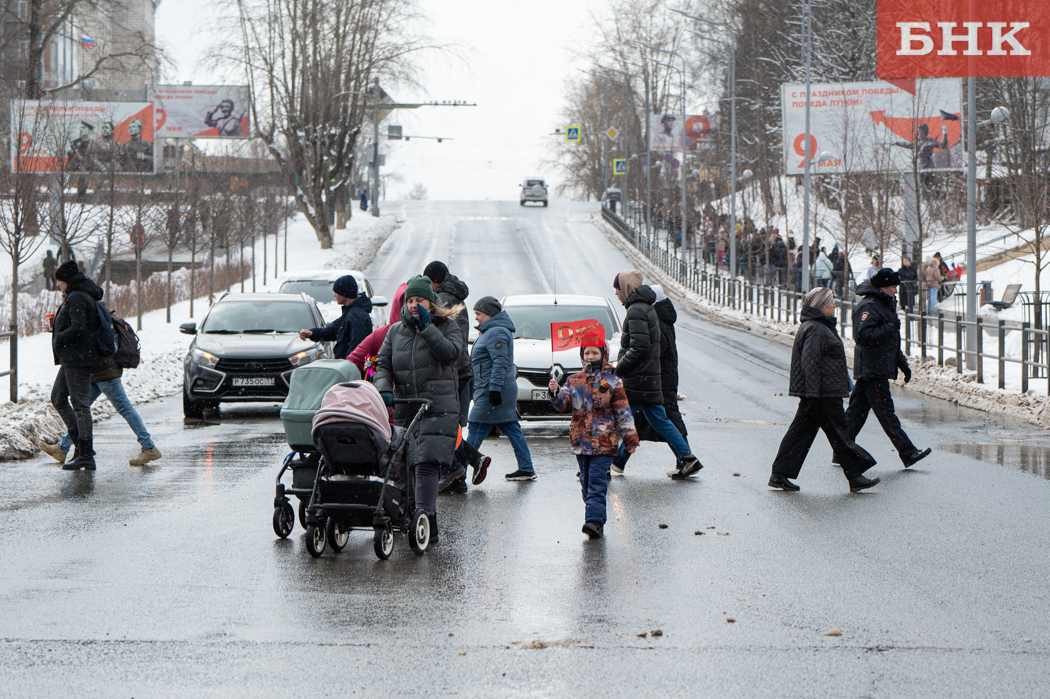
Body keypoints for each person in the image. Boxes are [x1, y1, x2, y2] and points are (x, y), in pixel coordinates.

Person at [373, 275, 464, 543]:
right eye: (410, 300)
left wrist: (428, 328)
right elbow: (383, 363)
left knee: (426, 461)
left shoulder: (448, 326)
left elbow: (451, 353)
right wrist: (383, 388)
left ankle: (426, 516)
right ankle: (415, 514)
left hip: (438, 405)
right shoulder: (395, 331)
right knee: (409, 462)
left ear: (430, 301)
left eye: (419, 300)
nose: (414, 305)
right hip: (406, 407)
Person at [768, 287, 879, 492]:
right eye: (830, 303)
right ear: (820, 307)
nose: (834, 305)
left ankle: (779, 474)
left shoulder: (819, 326)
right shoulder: (816, 329)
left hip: (820, 392)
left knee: (800, 433)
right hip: (823, 393)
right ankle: (855, 474)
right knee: (840, 433)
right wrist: (812, 394)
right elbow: (810, 363)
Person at [610, 270, 702, 479]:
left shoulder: (636, 310)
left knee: (620, 418)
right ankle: (687, 457)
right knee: (659, 419)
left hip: (638, 378)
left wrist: (620, 368)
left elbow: (639, 348)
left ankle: (601, 462)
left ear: (625, 288)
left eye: (617, 287)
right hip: (649, 378)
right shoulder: (648, 308)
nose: (616, 292)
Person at [548, 329, 638, 539]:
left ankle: (593, 522)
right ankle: (596, 517)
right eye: (587, 353)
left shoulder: (611, 382)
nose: (590, 357)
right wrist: (555, 392)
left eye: (594, 353)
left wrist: (631, 438)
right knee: (586, 482)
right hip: (581, 441)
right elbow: (564, 404)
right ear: (582, 355)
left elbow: (623, 411)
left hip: (604, 443)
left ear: (603, 354)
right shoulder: (574, 380)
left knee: (597, 482)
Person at [843, 268, 932, 468]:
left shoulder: (884, 304)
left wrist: (902, 363)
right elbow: (863, 336)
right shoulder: (870, 306)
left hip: (876, 366)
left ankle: (842, 448)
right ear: (883, 287)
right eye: (893, 287)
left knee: (856, 412)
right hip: (872, 368)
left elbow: (889, 342)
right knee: (886, 412)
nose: (896, 291)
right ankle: (907, 452)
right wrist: (889, 327)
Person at [40, 351, 162, 466]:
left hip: (104, 372)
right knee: (83, 408)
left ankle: (149, 447)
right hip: (100, 370)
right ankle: (62, 447)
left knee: (125, 408)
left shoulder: (96, 327)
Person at [615, 284, 686, 470]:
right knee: (650, 420)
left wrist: (622, 368)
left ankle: (686, 458)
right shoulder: (660, 318)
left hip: (655, 380)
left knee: (655, 420)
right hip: (657, 379)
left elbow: (645, 350)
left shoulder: (655, 320)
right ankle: (686, 458)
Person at [466, 296, 534, 481]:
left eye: (479, 314)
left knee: (476, 428)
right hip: (493, 389)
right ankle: (526, 467)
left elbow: (500, 362)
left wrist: (494, 389)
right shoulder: (491, 331)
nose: (477, 318)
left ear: (489, 314)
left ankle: (457, 471)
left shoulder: (496, 332)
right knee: (510, 426)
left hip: (493, 390)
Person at [423, 261, 474, 494]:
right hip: (462, 368)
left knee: (447, 425)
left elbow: (447, 341)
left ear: (434, 281)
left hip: (452, 369)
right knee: (454, 425)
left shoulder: (442, 299)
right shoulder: (456, 296)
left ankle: (456, 474)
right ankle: (460, 474)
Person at [49, 261, 102, 471]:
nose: (58, 285)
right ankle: (80, 446)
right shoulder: (76, 295)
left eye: (59, 281)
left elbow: (79, 328)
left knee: (80, 404)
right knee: (58, 398)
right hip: (72, 357)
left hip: (79, 358)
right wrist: (57, 328)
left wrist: (58, 337)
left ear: (67, 280)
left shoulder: (78, 297)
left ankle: (86, 455)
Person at [298, 275, 372, 359]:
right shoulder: (350, 313)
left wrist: (347, 365)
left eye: (336, 292)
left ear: (344, 293)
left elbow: (357, 346)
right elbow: (332, 331)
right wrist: (312, 333)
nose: (334, 295)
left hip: (352, 368)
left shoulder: (356, 315)